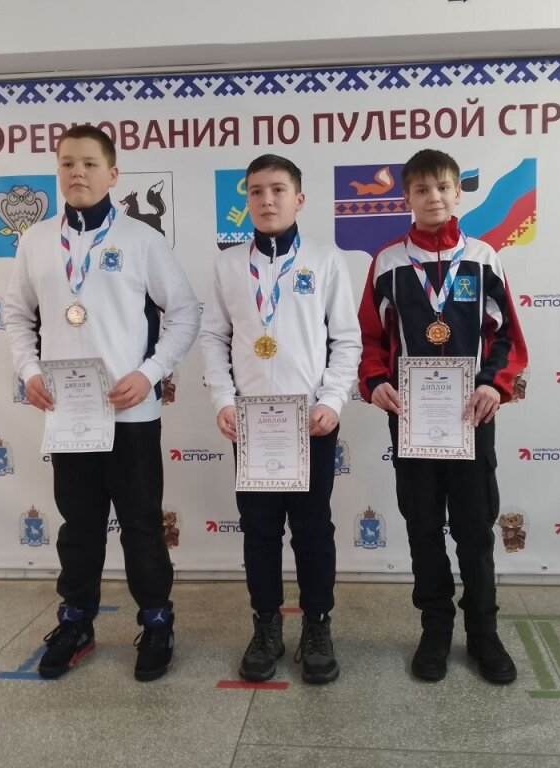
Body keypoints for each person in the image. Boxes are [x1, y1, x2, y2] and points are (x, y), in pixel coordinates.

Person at [3, 124, 200, 681]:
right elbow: (16, 315)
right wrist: (29, 371)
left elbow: (184, 312)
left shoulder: (142, 239)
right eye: (67, 163)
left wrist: (150, 373)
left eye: (89, 164)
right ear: (57, 171)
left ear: (112, 175)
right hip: (70, 416)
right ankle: (76, 621)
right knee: (79, 524)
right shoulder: (35, 240)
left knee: (141, 524)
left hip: (130, 412)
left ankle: (156, 621)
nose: (78, 173)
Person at [357, 148, 527, 684]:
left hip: (471, 416)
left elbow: (507, 336)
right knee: (424, 528)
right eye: (422, 189)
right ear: (406, 198)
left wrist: (493, 384)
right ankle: (434, 629)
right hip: (412, 419)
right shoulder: (388, 262)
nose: (433, 197)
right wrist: (376, 382)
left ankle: (483, 633)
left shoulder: (483, 257)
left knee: (475, 529)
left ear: (458, 193)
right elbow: (369, 339)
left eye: (443, 188)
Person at [200, 154, 362, 684]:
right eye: (256, 191)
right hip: (251, 425)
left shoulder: (326, 260)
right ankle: (266, 623)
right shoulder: (228, 265)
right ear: (246, 200)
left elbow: (346, 340)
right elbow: (213, 337)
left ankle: (317, 624)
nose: (266, 200)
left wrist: (332, 400)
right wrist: (223, 400)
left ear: (299, 199)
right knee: (260, 530)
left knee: (313, 529)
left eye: (278, 190)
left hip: (311, 421)